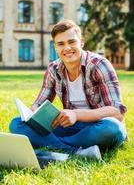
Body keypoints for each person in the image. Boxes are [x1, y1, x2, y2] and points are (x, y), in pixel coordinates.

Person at [9, 19, 127, 160]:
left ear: (81, 42)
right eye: (61, 44)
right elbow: (38, 104)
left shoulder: (99, 65)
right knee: (17, 123)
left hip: (98, 126)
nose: (67, 48)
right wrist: (31, 114)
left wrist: (75, 114)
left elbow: (117, 112)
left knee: (112, 128)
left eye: (71, 42)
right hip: (70, 128)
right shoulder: (53, 69)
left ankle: (52, 150)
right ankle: (75, 153)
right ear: (55, 47)